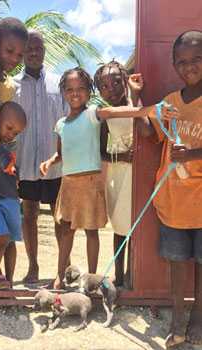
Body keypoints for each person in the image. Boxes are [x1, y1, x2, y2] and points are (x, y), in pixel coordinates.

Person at [40, 67, 174, 289]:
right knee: (66, 231)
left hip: (91, 183)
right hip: (69, 184)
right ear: (63, 92)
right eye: (70, 89)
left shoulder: (94, 114)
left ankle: (92, 277)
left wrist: (149, 109)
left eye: (81, 88)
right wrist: (49, 162)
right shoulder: (61, 124)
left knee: (93, 231)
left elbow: (116, 113)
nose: (75, 93)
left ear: (89, 92)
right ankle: (60, 275)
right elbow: (62, 153)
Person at [147, 30, 202, 348]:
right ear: (174, 64)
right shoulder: (170, 102)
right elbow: (149, 130)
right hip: (174, 202)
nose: (189, 66)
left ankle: (198, 321)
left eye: (196, 59)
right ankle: (178, 321)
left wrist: (193, 154)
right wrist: (137, 100)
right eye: (182, 62)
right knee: (178, 267)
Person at [13, 30, 67, 284]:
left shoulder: (59, 84)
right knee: (29, 215)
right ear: (23, 51)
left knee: (60, 218)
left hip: (56, 166)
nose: (34, 52)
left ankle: (62, 271)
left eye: (38, 48)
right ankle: (33, 268)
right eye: (29, 48)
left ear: (44, 51)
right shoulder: (12, 86)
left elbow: (70, 121)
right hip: (25, 165)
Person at [94, 61, 152, 287]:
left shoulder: (136, 105)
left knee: (136, 225)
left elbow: (146, 130)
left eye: (116, 82)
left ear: (125, 79)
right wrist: (121, 157)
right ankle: (119, 273)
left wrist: (137, 96)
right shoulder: (105, 115)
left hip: (137, 175)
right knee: (120, 227)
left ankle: (133, 273)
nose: (112, 89)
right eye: (105, 86)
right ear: (100, 91)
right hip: (117, 176)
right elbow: (101, 152)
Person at [0, 101, 26, 289]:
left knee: (11, 242)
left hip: (11, 199)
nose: (11, 135)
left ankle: (9, 281)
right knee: (1, 236)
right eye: (9, 128)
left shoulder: (11, 146)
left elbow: (4, 163)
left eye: (15, 132)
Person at [0, 17, 28, 107]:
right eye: (9, 51)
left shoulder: (11, 88)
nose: (15, 59)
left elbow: (4, 120)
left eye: (20, 55)